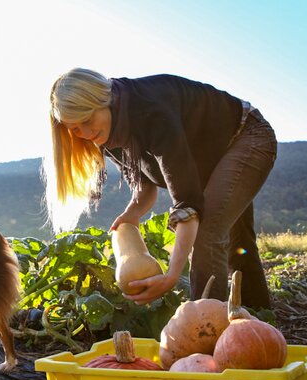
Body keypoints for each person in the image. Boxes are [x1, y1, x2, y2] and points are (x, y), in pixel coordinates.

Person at [44, 68, 277, 308]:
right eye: (75, 129)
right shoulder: (108, 134)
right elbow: (145, 183)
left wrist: (171, 276)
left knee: (209, 232)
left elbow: (188, 205)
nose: (86, 133)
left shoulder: (150, 112)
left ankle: (205, 331)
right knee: (239, 245)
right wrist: (132, 213)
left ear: (105, 101)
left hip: (245, 135)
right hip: (209, 159)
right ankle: (259, 321)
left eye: (88, 120)